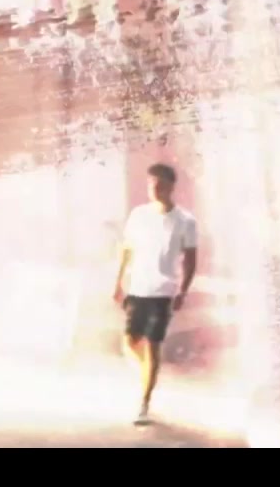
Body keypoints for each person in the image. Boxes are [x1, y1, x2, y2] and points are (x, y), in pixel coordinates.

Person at [112, 162, 198, 425]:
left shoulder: (185, 221)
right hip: (138, 287)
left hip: (163, 291)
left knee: (152, 344)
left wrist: (183, 290)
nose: (154, 189)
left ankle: (144, 403)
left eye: (160, 184)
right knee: (129, 342)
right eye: (151, 184)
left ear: (171, 187)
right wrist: (118, 282)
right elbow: (126, 249)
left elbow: (190, 259)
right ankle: (149, 372)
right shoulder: (139, 215)